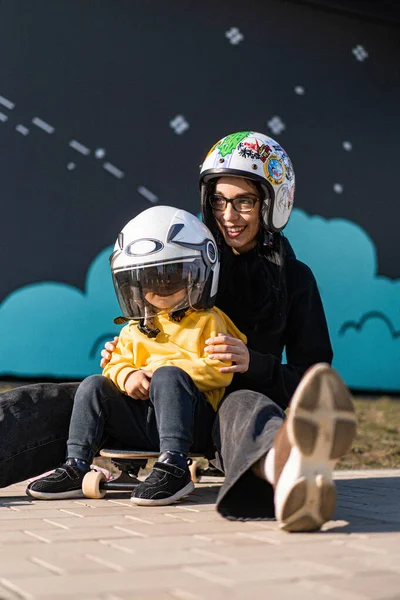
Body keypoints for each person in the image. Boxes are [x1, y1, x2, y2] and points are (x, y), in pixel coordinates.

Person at [0, 130, 356, 531]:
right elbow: (147, 314)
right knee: (64, 397)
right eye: (219, 200)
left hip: (223, 414)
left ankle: (295, 478)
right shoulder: (188, 254)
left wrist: (254, 364)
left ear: (273, 203)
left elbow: (312, 377)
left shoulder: (295, 278)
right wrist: (125, 359)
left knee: (248, 411)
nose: (228, 215)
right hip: (149, 406)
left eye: (244, 202)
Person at [26, 206, 246, 505]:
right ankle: (75, 464)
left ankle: (174, 467)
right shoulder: (136, 328)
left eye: (171, 276)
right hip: (143, 424)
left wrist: (161, 374)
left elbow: (221, 369)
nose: (159, 288)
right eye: (147, 280)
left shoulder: (209, 320)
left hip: (195, 425)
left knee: (168, 376)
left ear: (199, 275)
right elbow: (115, 363)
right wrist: (128, 375)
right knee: (94, 384)